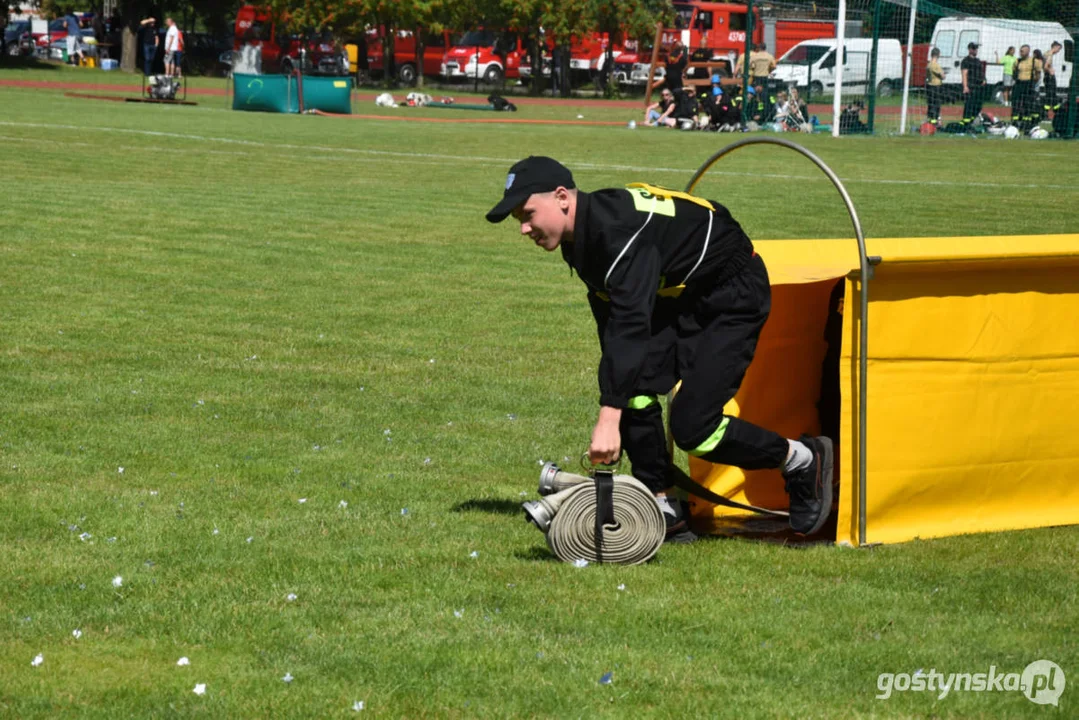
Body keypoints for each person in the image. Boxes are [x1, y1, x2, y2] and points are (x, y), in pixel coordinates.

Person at [485, 157, 835, 541]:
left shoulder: (616, 233)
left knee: (694, 429)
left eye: (529, 214)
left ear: (563, 197)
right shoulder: (581, 234)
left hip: (732, 291)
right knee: (632, 387)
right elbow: (615, 327)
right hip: (682, 293)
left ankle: (801, 460)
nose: (523, 228)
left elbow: (631, 327)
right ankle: (663, 503)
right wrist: (614, 397)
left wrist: (608, 418)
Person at [1012, 44, 1041, 132]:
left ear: (1028, 51)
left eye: (1022, 51)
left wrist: (1034, 81)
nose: (1021, 53)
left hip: (1029, 84)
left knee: (1027, 104)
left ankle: (1026, 123)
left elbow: (1038, 73)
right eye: (1020, 51)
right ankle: (1015, 122)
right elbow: (1014, 71)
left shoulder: (1034, 61)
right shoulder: (1017, 61)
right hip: (1019, 84)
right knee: (1016, 103)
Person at [959, 42, 986, 131]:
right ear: (970, 49)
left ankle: (971, 121)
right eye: (974, 48)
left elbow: (981, 72)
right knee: (969, 106)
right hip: (970, 87)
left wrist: (984, 79)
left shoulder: (978, 61)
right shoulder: (966, 61)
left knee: (978, 106)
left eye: (976, 48)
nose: (975, 50)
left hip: (979, 87)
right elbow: (964, 74)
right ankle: (966, 123)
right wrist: (965, 86)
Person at [1042, 42, 1061, 119]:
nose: (1058, 51)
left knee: (1049, 95)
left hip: (1047, 77)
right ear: (1055, 47)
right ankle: (1051, 113)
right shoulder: (1049, 54)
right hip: (1049, 77)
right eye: (1058, 49)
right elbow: (1045, 66)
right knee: (1051, 95)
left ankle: (1049, 112)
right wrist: (1050, 71)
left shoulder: (1046, 53)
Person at [926, 48, 944, 126]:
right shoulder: (935, 65)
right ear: (938, 54)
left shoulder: (929, 64)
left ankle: (932, 120)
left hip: (930, 85)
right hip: (936, 86)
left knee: (931, 104)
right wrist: (943, 74)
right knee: (936, 105)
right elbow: (942, 76)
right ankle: (934, 122)